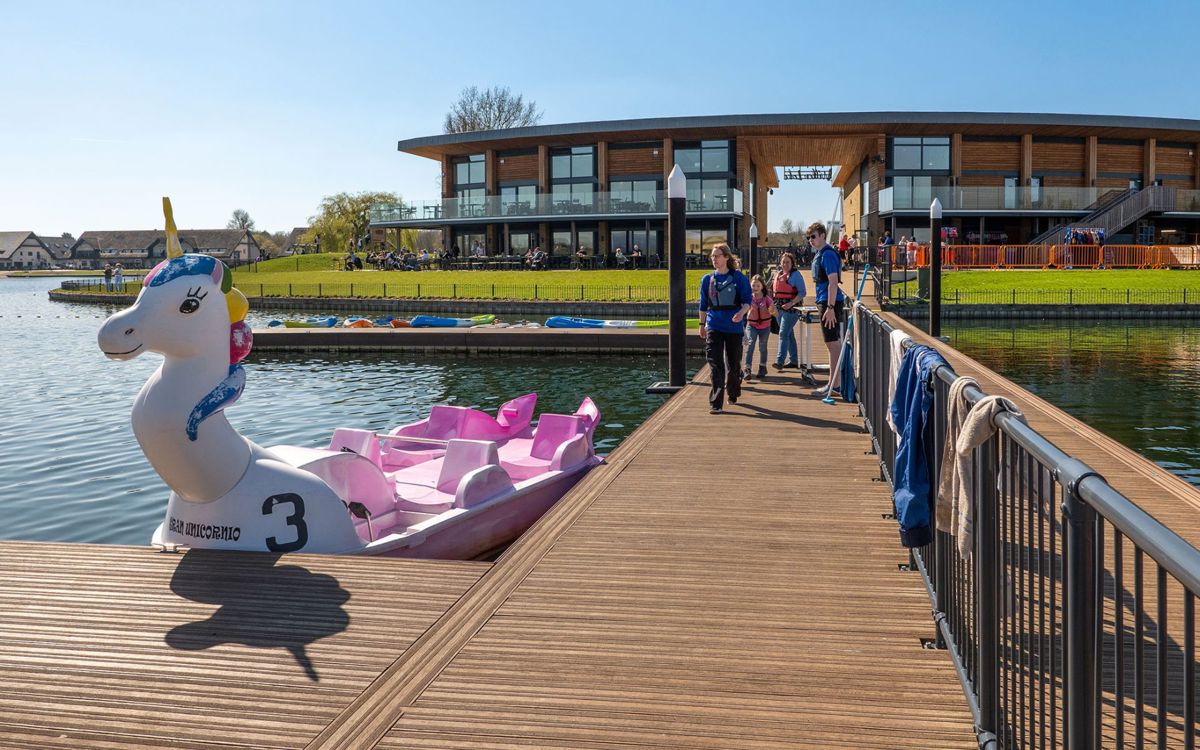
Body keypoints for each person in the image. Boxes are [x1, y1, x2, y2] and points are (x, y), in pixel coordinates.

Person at [698, 243, 752, 414]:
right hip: (714, 324)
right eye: (712, 256)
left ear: (727, 257)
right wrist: (701, 325)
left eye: (717, 256)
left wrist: (741, 313)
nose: (714, 259)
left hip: (733, 326)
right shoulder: (707, 280)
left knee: (734, 364)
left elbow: (747, 302)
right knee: (715, 364)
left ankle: (733, 391)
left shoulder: (738, 278)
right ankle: (716, 403)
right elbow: (703, 305)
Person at [807, 222, 847, 397]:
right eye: (809, 237)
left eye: (814, 236)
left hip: (829, 302)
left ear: (823, 235)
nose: (811, 240)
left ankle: (835, 385)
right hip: (824, 301)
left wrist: (830, 308)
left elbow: (833, 281)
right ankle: (834, 383)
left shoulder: (828, 255)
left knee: (833, 343)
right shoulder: (821, 254)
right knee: (831, 343)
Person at [770, 252, 807, 370]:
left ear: (792, 263)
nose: (785, 264)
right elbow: (771, 291)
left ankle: (779, 361)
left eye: (787, 262)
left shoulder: (796, 275)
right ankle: (794, 360)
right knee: (788, 334)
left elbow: (802, 292)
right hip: (778, 307)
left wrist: (791, 303)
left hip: (792, 309)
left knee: (783, 333)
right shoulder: (778, 274)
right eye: (783, 262)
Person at [743, 274, 775, 381]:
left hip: (765, 326)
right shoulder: (748, 298)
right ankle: (747, 368)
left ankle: (762, 367)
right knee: (750, 344)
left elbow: (773, 310)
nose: (755, 288)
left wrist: (772, 310)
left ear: (762, 286)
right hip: (752, 325)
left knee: (762, 346)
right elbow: (743, 307)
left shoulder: (766, 299)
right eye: (753, 286)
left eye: (757, 286)